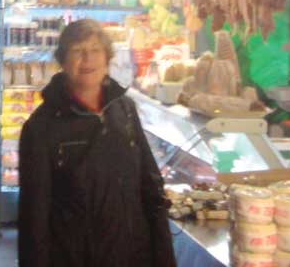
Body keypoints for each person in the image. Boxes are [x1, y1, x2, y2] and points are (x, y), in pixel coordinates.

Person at [18, 19, 177, 267]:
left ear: (107, 57)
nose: (88, 59)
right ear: (63, 61)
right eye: (77, 51)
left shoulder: (124, 110)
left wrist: (165, 258)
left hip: (134, 256)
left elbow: (150, 188)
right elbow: (33, 219)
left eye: (95, 50)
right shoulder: (41, 128)